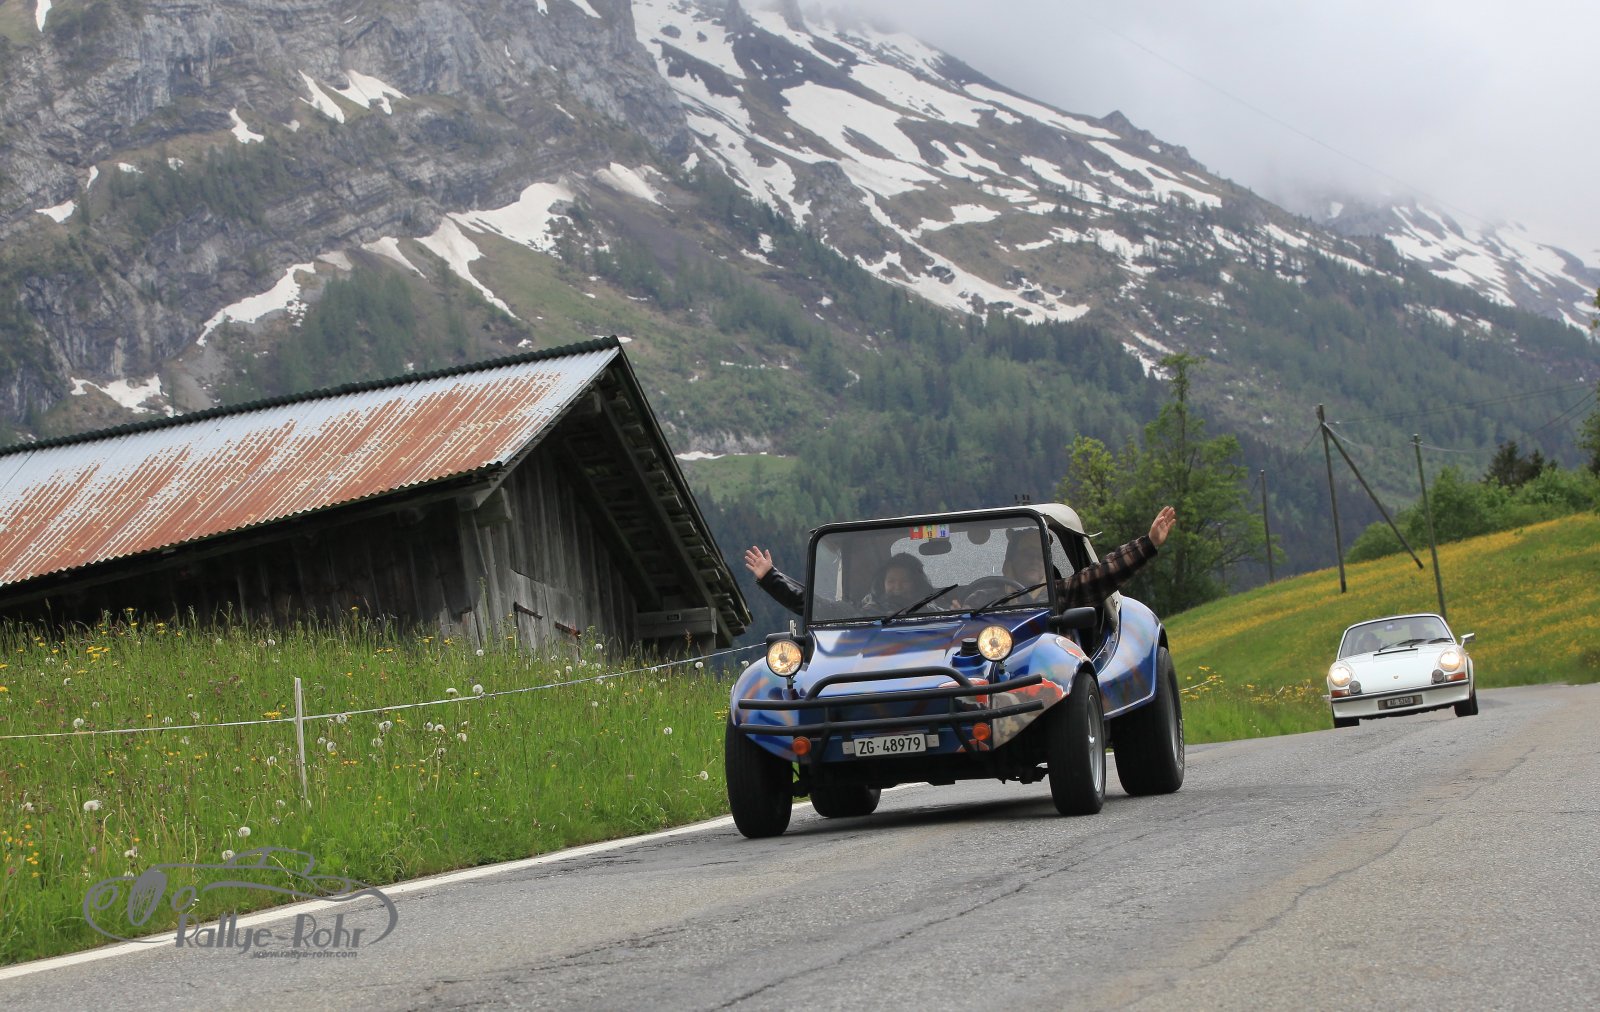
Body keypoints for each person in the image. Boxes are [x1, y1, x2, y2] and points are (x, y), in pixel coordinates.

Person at [743, 505, 1179, 616]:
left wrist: (1148, 544)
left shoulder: (1056, 592)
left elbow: (1101, 575)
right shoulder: (954, 608)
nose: (896, 587)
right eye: (891, 580)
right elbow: (821, 607)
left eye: (1036, 556)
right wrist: (772, 578)